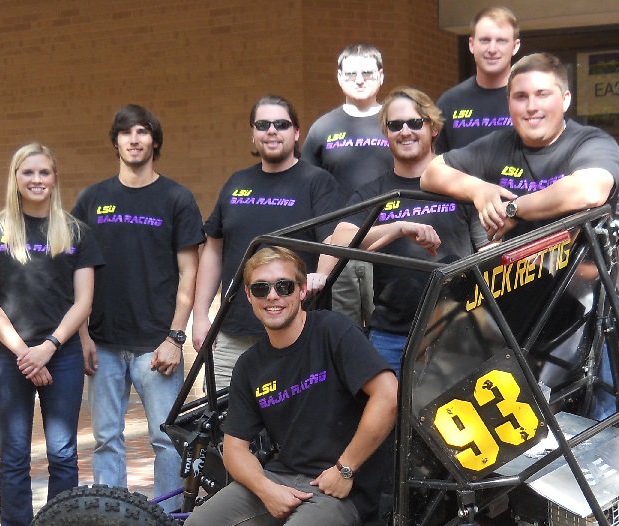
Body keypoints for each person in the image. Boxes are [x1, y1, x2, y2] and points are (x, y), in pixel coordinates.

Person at [175, 246, 398, 526]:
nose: (273, 296)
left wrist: (346, 468)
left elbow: (387, 394)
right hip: (283, 476)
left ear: (301, 291)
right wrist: (265, 489)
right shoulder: (251, 364)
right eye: (262, 288)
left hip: (340, 486)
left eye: (284, 286)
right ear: (247, 296)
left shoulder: (331, 331)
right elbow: (235, 449)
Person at [421, 51, 619, 417]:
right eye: (521, 97)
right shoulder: (498, 144)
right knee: (530, 422)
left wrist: (513, 208)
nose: (531, 106)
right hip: (532, 306)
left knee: (603, 421)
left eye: (543, 94)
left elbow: (588, 191)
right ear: (509, 102)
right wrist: (479, 190)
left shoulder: (591, 143)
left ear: (566, 99)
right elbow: (432, 172)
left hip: (603, 306)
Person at [0, 144, 102, 526]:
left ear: (54, 176)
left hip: (60, 354)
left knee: (64, 455)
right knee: (14, 458)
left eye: (45, 171)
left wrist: (47, 347)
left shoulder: (75, 232)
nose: (37, 179)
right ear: (16, 176)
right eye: (28, 171)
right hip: (9, 357)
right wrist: (23, 352)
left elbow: (83, 300)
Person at [72, 104, 205, 511]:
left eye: (143, 132)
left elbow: (190, 272)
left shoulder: (176, 198)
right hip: (104, 344)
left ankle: (164, 525)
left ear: (155, 141)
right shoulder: (93, 199)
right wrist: (82, 336)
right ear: (115, 141)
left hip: (155, 345)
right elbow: (76, 271)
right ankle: (115, 523)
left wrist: (175, 337)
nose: (134, 139)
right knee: (106, 440)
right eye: (126, 132)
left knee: (166, 440)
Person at [192, 95, 344, 387]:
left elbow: (334, 238)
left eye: (281, 124)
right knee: (227, 421)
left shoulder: (317, 182)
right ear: (253, 133)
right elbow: (213, 249)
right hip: (233, 330)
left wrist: (321, 275)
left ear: (296, 132)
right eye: (263, 124)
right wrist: (200, 316)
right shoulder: (236, 183)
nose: (272, 130)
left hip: (296, 331)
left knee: (291, 423)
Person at [330, 87, 474, 371]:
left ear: (432, 128)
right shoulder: (375, 192)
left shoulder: (461, 184)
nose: (405, 131)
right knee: (390, 413)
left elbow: (489, 248)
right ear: (386, 134)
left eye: (415, 122)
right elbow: (340, 238)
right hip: (390, 336)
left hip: (458, 329)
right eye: (395, 125)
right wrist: (395, 228)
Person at [301, 43, 392, 328]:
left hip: (392, 244)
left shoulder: (397, 122)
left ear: (381, 76)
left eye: (367, 72)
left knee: (391, 330)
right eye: (351, 74)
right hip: (340, 249)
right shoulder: (322, 128)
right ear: (340, 78)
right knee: (345, 332)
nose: (360, 79)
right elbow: (308, 189)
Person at [433, 6, 521, 154]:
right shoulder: (450, 102)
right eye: (485, 40)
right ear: (471, 45)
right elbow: (435, 164)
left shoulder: (530, 100)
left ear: (515, 46)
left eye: (501, 41)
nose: (492, 49)